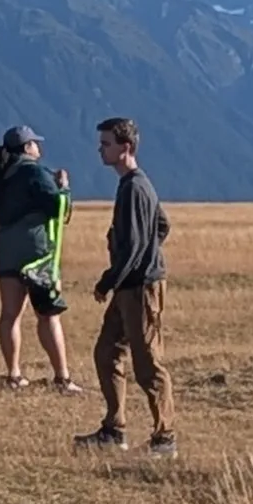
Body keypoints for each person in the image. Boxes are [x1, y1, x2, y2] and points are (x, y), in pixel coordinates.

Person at [72, 116, 177, 456]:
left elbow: (133, 245)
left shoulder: (134, 187)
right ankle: (114, 430)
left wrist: (109, 279)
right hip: (130, 285)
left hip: (139, 287)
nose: (100, 149)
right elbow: (162, 224)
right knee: (107, 351)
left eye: (106, 144)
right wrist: (147, 251)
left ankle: (165, 438)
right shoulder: (136, 184)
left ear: (125, 147)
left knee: (148, 364)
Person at [0, 127, 78, 391]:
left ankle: (13, 374)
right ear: (27, 148)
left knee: (10, 315)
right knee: (48, 313)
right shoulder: (35, 173)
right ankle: (62, 377)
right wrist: (64, 188)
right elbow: (58, 208)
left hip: (4, 249)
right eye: (35, 143)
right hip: (35, 252)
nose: (38, 147)